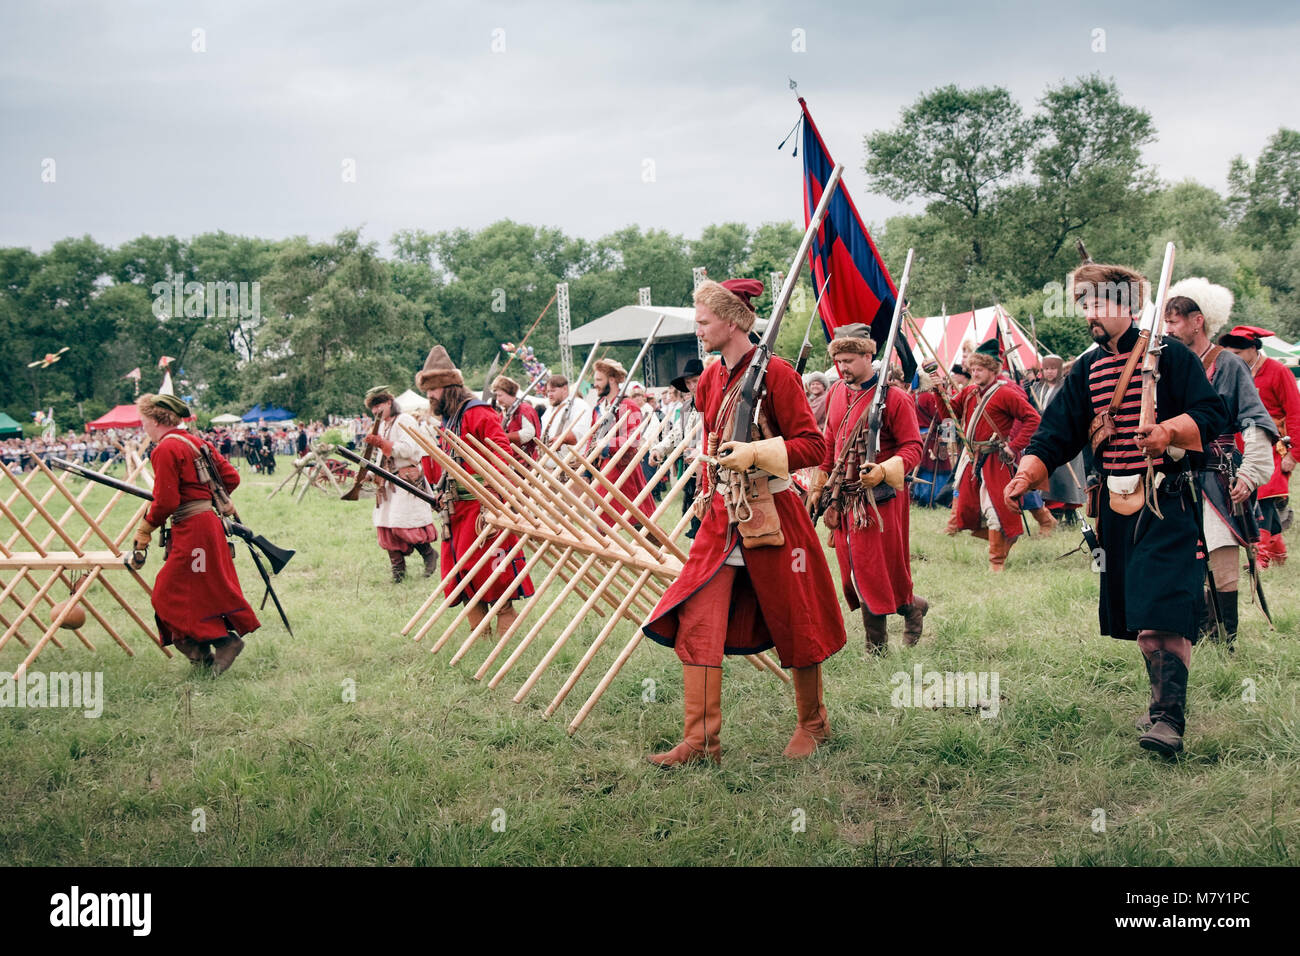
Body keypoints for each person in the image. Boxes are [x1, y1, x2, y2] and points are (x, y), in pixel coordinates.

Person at [1006, 261, 1228, 757]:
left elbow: (1213, 415)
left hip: (1166, 501)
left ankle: (1169, 721)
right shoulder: (1085, 368)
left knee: (1161, 614)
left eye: (1098, 302)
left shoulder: (1169, 355)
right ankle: (1159, 703)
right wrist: (1028, 472)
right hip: (1114, 507)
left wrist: (1169, 432)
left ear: (1128, 306)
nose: (1089, 313)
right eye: (1083, 303)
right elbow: (1055, 431)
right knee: (1142, 617)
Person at [643, 278, 845, 766]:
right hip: (720, 516)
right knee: (697, 619)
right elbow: (713, 441)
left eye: (705, 322)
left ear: (732, 322)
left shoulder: (776, 374)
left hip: (773, 514)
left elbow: (814, 447)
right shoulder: (711, 378)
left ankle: (813, 724)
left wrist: (757, 451)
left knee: (797, 619)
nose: (699, 330)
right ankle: (700, 742)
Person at [1163, 279, 1276, 646]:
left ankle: (1224, 639)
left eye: (1175, 321)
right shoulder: (1167, 364)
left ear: (1198, 321)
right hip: (1176, 473)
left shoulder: (1228, 364)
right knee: (1185, 557)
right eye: (1165, 321)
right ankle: (1195, 633)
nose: (1168, 329)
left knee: (1220, 553)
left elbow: (1255, 419)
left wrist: (1250, 472)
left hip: (1217, 472)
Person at [810, 324, 927, 652]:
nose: (842, 367)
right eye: (838, 361)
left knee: (872, 571)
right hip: (843, 499)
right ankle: (913, 607)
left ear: (868, 355)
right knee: (855, 573)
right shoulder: (835, 393)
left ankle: (875, 650)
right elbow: (830, 441)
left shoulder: (895, 398)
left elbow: (912, 447)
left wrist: (884, 470)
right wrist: (819, 484)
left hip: (880, 499)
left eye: (848, 360)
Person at [131, 393, 259, 673]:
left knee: (166, 594)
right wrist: (209, 499)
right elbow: (231, 478)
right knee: (197, 590)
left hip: (193, 531)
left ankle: (224, 642)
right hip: (207, 527)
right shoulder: (197, 442)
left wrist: (145, 528)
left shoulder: (165, 449)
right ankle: (200, 655)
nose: (144, 428)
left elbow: (166, 501)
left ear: (155, 420)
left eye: (144, 422)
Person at [417, 346, 535, 638]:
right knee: (464, 577)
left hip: (483, 510)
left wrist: (491, 500)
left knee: (495, 579)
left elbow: (502, 456)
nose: (430, 396)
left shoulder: (478, 412)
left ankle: (504, 637)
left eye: (434, 390)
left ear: (449, 386)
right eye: (428, 390)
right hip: (455, 512)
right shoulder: (448, 418)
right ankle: (480, 639)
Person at [949, 339, 1041, 570]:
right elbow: (950, 412)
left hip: (996, 461)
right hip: (973, 459)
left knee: (996, 509)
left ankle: (996, 563)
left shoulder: (1006, 393)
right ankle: (1005, 542)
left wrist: (1014, 446)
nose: (974, 373)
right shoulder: (969, 392)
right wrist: (939, 392)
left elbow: (1033, 419)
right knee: (970, 510)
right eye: (972, 369)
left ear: (992, 369)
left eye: (979, 369)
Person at [1219, 324, 1300, 568]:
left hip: (1274, 447)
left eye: (1238, 353)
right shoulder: (1230, 373)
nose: (1233, 358)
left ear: (1253, 349)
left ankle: (1262, 555)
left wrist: (1295, 454)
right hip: (1240, 447)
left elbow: (1296, 413)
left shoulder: (1278, 371)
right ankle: (1277, 552)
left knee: (1264, 494)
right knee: (1256, 497)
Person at [362, 387, 439, 583]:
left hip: (406, 481)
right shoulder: (383, 425)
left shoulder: (405, 420)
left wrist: (382, 443)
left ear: (389, 402)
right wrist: (370, 473)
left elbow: (409, 449)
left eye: (378, 405)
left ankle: (429, 554)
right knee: (385, 525)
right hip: (388, 482)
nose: (376, 410)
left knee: (403, 524)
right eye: (373, 407)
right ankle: (398, 572)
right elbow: (381, 457)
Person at [586, 358, 653, 523]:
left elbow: (633, 440)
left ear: (612, 380)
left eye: (599, 380)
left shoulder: (628, 405)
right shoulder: (600, 406)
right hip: (603, 468)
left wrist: (607, 445)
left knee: (640, 522)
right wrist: (587, 467)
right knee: (602, 520)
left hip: (624, 470)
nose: (596, 385)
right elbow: (592, 436)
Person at [650, 358, 704, 537]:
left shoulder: (715, 401)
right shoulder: (688, 405)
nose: (691, 386)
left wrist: (701, 450)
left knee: (707, 520)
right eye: (688, 383)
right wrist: (659, 449)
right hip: (691, 471)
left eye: (695, 381)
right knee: (692, 517)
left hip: (710, 470)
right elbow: (677, 434)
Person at [1030, 355, 1086, 524]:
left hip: (1066, 437)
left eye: (1053, 368)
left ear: (1059, 369)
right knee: (1050, 478)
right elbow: (1031, 409)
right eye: (1046, 368)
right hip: (1046, 438)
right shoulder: (1037, 388)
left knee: (1066, 479)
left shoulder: (1067, 387)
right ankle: (1054, 513)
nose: (1049, 372)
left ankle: (1069, 514)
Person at [492, 374, 542, 463]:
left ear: (509, 393)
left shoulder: (524, 409)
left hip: (527, 460)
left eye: (500, 395)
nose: (498, 399)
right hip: (513, 460)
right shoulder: (504, 413)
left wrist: (504, 437)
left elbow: (528, 433)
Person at [539, 373, 591, 449]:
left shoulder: (579, 405)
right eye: (548, 391)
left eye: (553, 391)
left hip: (571, 459)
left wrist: (562, 439)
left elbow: (580, 433)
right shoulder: (550, 409)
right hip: (550, 458)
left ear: (565, 389)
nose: (549, 394)